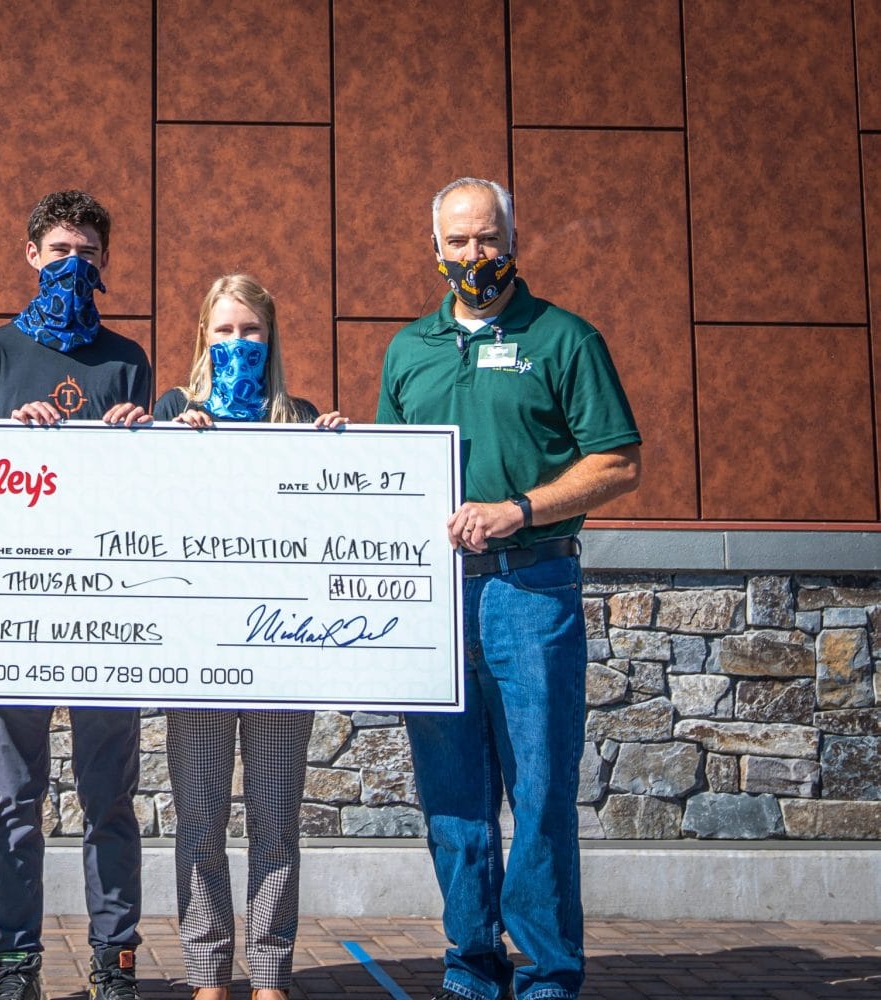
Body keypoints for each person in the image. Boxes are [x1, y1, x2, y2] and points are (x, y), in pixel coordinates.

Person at [375, 178, 641, 1000]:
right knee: (452, 798)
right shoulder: (407, 350)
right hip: (436, 601)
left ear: (511, 239)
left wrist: (517, 509)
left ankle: (550, 973)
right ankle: (471, 968)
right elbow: (386, 479)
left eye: (486, 239)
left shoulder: (563, 339)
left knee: (539, 792)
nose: (473, 256)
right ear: (434, 250)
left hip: (532, 590)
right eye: (457, 242)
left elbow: (617, 463)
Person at [0, 190, 151, 1000]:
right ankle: (16, 964)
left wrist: (144, 440)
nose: (76, 264)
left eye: (90, 253)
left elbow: (151, 496)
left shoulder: (125, 360)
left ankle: (116, 960)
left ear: (106, 264)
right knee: (15, 801)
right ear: (30, 255)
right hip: (13, 613)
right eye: (61, 249)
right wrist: (8, 436)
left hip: (107, 611)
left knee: (110, 800)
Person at [154, 274, 345, 1000]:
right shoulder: (175, 410)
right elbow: (138, 513)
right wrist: (164, 446)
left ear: (271, 338)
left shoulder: (295, 417)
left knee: (275, 820)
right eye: (225, 330)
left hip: (277, 656)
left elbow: (327, 525)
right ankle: (207, 973)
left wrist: (335, 457)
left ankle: (269, 973)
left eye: (252, 331)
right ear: (202, 334)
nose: (239, 343)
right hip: (197, 655)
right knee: (198, 820)